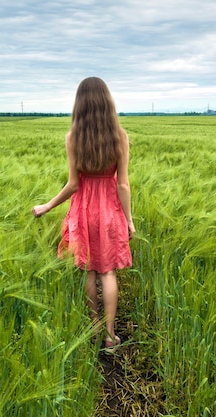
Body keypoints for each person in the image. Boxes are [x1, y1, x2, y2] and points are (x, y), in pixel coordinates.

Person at [32, 77, 135, 351]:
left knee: (88, 270)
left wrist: (47, 206)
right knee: (108, 272)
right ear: (107, 102)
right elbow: (123, 184)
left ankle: (93, 327)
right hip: (109, 209)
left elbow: (73, 184)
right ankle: (110, 336)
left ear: (80, 104)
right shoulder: (120, 137)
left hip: (83, 209)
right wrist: (129, 220)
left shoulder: (73, 137)